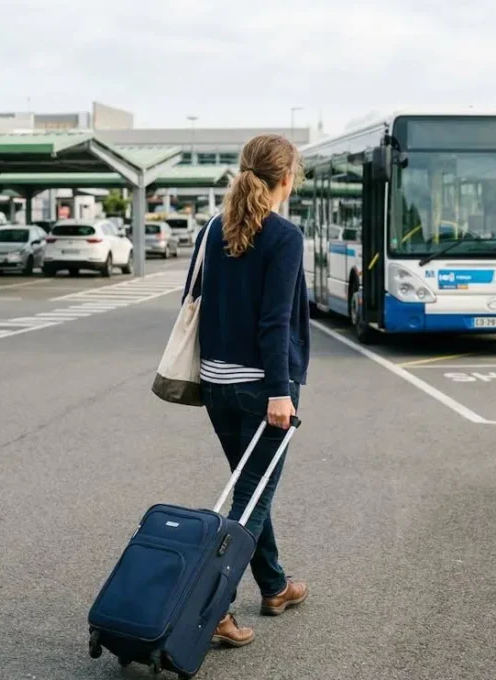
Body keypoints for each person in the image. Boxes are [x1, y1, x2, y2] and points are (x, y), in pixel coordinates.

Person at [181, 134, 311, 648]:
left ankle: (275, 586)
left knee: (251, 489)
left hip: (216, 386)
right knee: (251, 501)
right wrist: (280, 392)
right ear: (287, 179)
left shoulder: (214, 229)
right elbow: (276, 322)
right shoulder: (283, 236)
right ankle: (213, 606)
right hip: (263, 392)